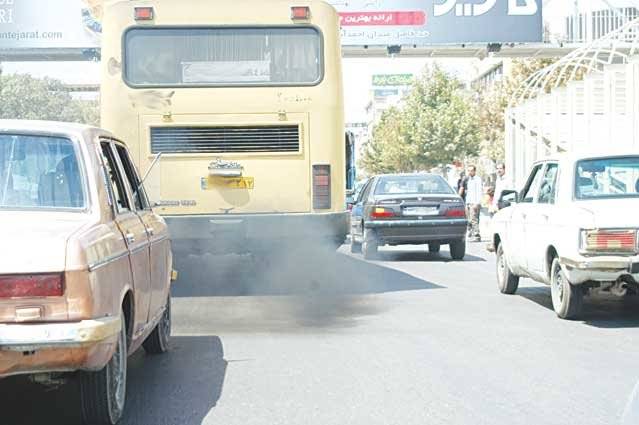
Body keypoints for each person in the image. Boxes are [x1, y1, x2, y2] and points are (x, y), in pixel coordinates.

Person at [464, 165, 483, 242]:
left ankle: (477, 235)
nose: (470, 172)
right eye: (468, 170)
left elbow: (479, 191)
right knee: (469, 219)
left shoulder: (477, 179)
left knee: (474, 219)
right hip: (468, 202)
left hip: (474, 202)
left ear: (475, 171)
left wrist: (477, 203)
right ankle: (471, 233)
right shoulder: (468, 180)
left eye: (471, 170)